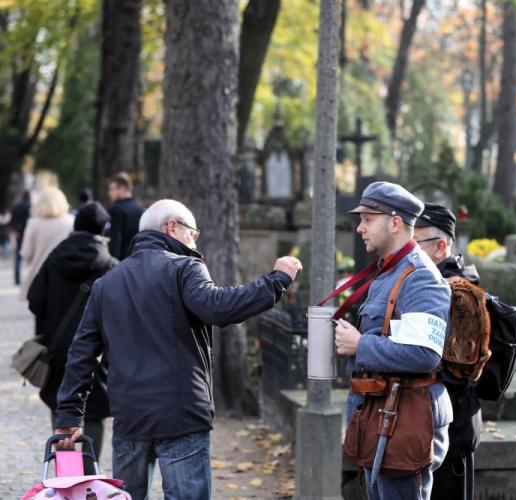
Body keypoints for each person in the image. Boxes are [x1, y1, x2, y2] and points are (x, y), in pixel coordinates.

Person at [53, 199, 303, 500]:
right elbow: (219, 307)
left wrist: (68, 418)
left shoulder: (107, 283)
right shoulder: (185, 268)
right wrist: (277, 280)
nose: (193, 240)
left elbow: (82, 353)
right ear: (172, 226)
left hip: (129, 416)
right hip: (181, 413)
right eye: (192, 233)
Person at [335, 182, 452, 500]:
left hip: (403, 423)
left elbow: (424, 354)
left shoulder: (420, 276)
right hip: (384, 418)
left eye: (368, 219)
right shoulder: (389, 272)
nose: (360, 228)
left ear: (395, 222)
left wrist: (360, 346)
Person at [27, 202, 118, 473]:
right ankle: (90, 475)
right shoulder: (111, 266)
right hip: (96, 354)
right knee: (94, 412)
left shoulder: (55, 258)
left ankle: (66, 475)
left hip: (55, 351)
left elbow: (35, 299)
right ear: (103, 231)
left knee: (61, 408)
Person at [414, 203, 482, 500]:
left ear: (440, 245)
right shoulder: (429, 282)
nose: (408, 252)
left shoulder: (459, 292)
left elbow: (458, 375)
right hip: (433, 429)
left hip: (450, 434)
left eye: (414, 244)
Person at [20, 187, 75, 299]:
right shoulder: (71, 221)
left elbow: (26, 253)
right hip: (66, 275)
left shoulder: (33, 223)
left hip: (39, 276)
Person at [106, 172, 144, 260]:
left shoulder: (116, 209)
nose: (109, 193)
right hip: (139, 259)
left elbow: (116, 241)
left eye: (111, 189)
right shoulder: (141, 208)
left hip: (122, 261)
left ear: (122, 188)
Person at [9, 191, 31, 284]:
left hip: (19, 233)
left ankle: (17, 279)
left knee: (18, 257)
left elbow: (12, 220)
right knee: (30, 256)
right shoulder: (29, 206)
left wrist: (15, 230)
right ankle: (29, 278)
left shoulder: (16, 206)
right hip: (28, 234)